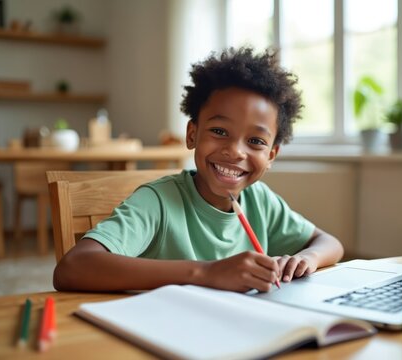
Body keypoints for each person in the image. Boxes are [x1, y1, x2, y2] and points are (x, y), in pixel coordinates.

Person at [53, 47, 344, 293]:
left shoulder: (261, 201)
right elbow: (72, 268)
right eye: (219, 131)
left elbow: (330, 243)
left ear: (271, 155)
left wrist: (308, 258)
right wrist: (205, 273)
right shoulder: (158, 202)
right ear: (192, 134)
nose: (235, 151)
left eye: (255, 141)